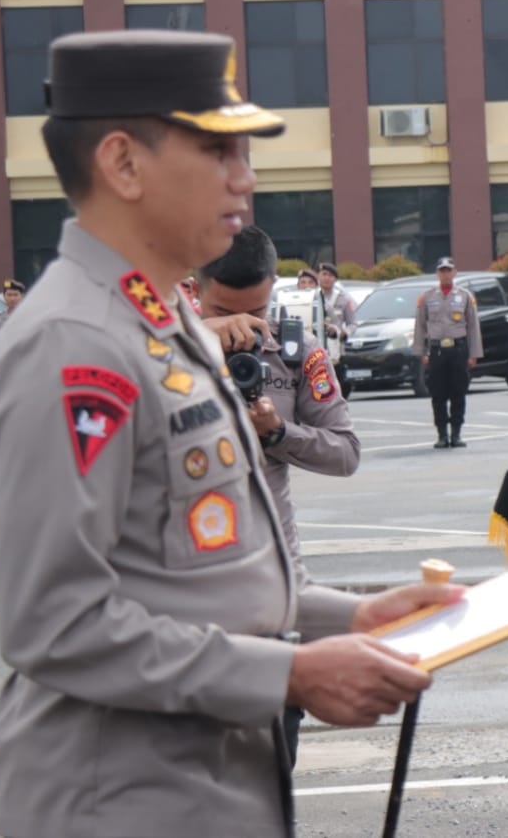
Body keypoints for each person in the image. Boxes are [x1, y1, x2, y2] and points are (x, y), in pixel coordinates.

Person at [0, 29, 462, 838]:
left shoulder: (167, 322)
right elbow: (52, 622)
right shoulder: (72, 346)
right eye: (219, 151)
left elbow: (189, 577)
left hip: (199, 791)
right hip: (117, 805)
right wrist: (292, 673)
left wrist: (353, 618)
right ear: (123, 164)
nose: (247, 178)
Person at [193, 225, 362, 765]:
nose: (247, 329)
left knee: (269, 778)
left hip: (272, 584)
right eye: (225, 310)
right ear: (194, 290)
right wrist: (199, 338)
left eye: (258, 312)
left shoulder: (294, 351)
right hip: (185, 597)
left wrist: (276, 434)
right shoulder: (158, 350)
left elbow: (345, 452)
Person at [414, 257, 481, 449]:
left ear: (454, 273)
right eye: (442, 271)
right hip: (436, 350)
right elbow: (420, 326)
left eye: (448, 270)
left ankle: (457, 434)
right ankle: (442, 435)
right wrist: (421, 352)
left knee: (458, 392)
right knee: (438, 393)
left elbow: (473, 326)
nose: (445, 274)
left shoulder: (465, 296)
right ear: (437, 273)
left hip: (458, 349)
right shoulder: (427, 296)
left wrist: (473, 353)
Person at [317, 262, 357, 343]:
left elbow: (353, 324)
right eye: (324, 274)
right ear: (318, 277)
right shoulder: (313, 298)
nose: (327, 278)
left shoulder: (343, 299)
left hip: (335, 344)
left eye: (330, 275)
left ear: (335, 279)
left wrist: (345, 332)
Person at [0, 278, 25, 345]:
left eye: (15, 295)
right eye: (9, 295)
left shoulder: (29, 316)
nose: (12, 299)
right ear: (4, 296)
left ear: (22, 296)